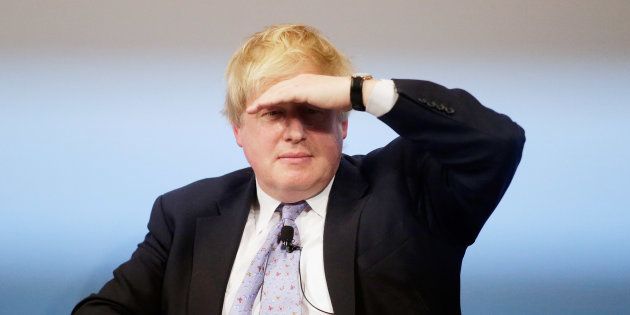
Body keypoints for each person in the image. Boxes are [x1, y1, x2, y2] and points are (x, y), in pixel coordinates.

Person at [73, 24, 525, 315]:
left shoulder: (406, 189)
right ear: (238, 131)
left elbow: (496, 142)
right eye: (272, 114)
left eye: (311, 109)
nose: (293, 131)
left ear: (343, 121)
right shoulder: (185, 214)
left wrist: (359, 90)